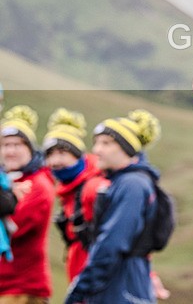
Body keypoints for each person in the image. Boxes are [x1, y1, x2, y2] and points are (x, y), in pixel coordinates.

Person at [64, 110, 162, 304]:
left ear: (127, 148)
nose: (97, 150)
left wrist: (81, 288)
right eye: (97, 142)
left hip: (122, 290)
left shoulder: (131, 185)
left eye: (106, 143)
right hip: (122, 287)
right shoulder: (126, 182)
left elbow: (113, 243)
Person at [42, 108, 109, 282]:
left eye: (62, 153)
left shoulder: (94, 186)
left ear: (78, 155)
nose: (55, 162)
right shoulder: (69, 191)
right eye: (50, 155)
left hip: (97, 283)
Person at [0, 105, 55, 304]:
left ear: (30, 149)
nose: (10, 151)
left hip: (23, 289)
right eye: (5, 145)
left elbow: (15, 226)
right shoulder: (8, 182)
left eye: (17, 144)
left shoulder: (38, 185)